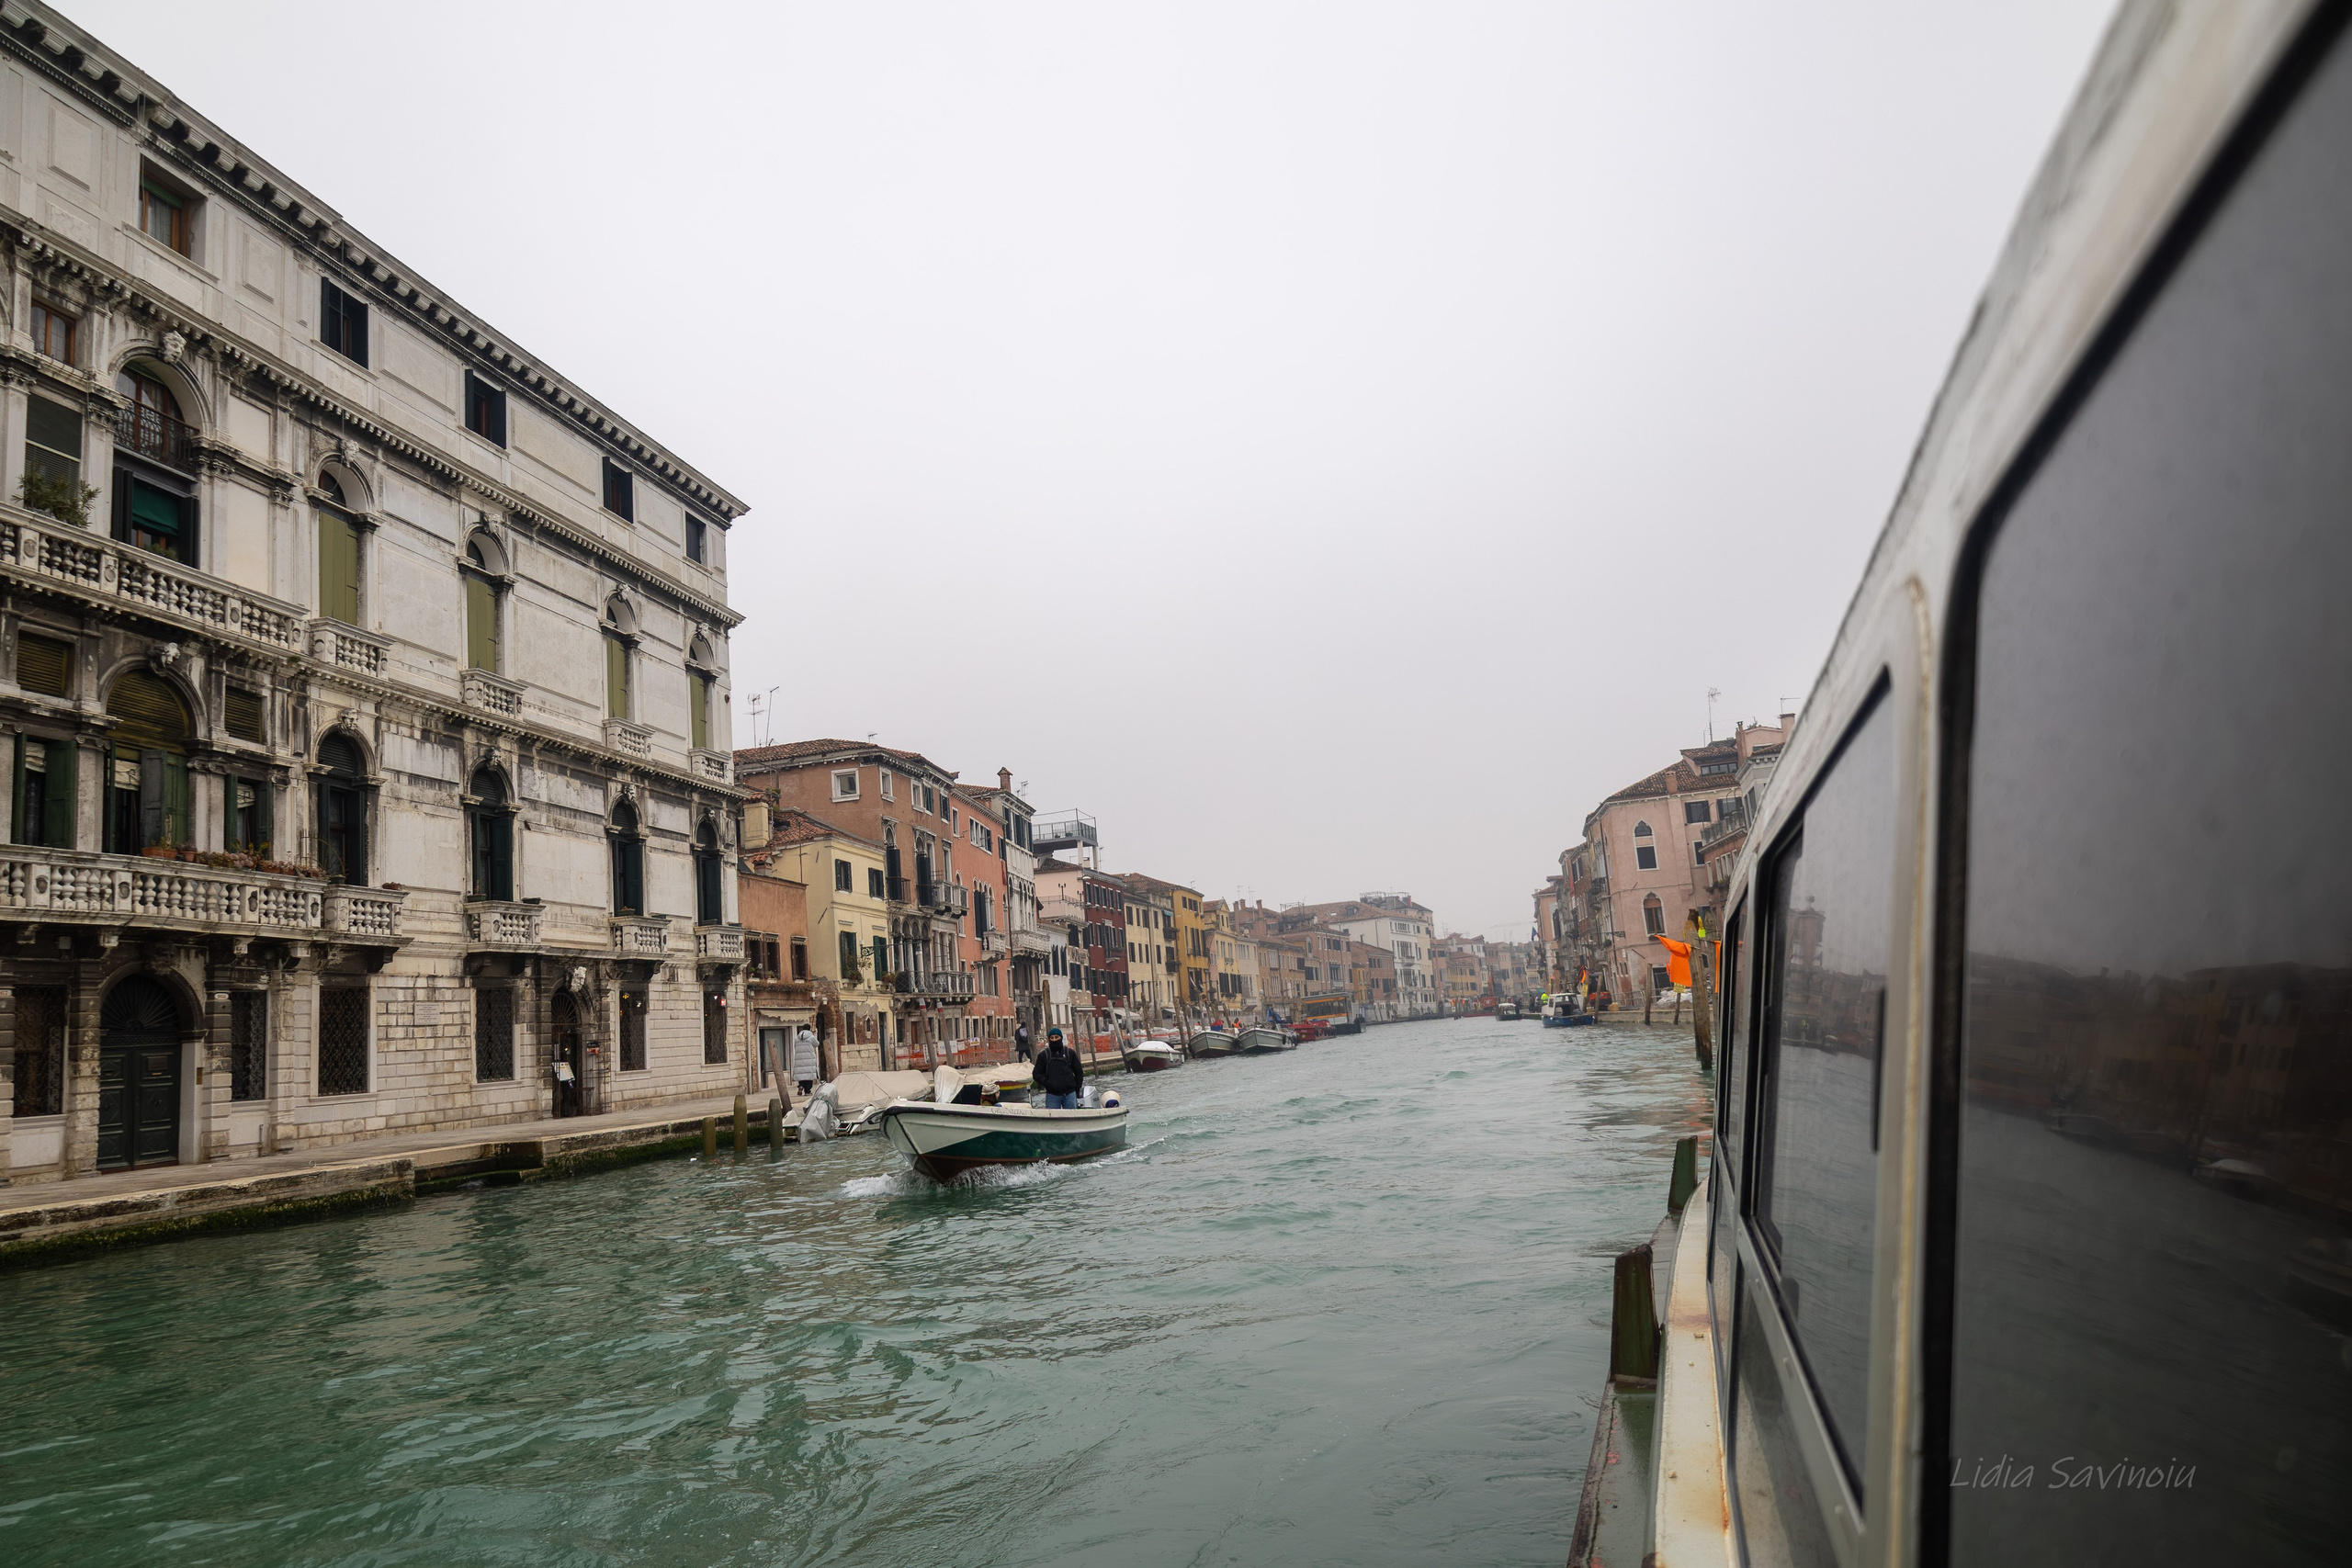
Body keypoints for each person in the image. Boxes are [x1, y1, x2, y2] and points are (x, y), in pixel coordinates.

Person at [1033, 1027, 1084, 1109]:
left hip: (1069, 1094)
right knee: (1052, 1119)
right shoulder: (1043, 1055)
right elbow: (1036, 1074)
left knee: (1072, 1119)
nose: (1054, 1040)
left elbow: (1079, 1072)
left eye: (1056, 1037)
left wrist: (1077, 1087)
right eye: (1052, 1038)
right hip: (1052, 1095)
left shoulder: (1070, 1053)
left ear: (1061, 1038)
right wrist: (1047, 1082)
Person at [791, 1024, 820, 1097]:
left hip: (799, 1059)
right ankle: (807, 1091)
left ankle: (801, 1086)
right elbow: (817, 1044)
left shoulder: (796, 1038)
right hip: (809, 1058)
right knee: (809, 1075)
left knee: (802, 1074)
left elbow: (795, 1047)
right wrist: (814, 1035)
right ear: (809, 1029)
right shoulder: (811, 1037)